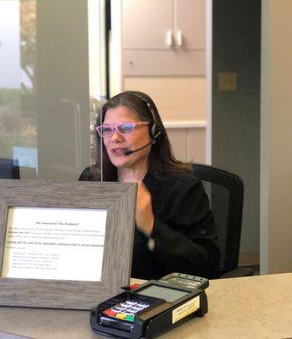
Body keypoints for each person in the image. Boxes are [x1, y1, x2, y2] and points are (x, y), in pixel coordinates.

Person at [80, 91, 220, 280]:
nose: (114, 138)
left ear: (154, 133)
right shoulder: (92, 180)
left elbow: (206, 266)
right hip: (101, 291)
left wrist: (151, 225)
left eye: (126, 128)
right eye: (107, 130)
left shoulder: (181, 188)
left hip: (157, 295)